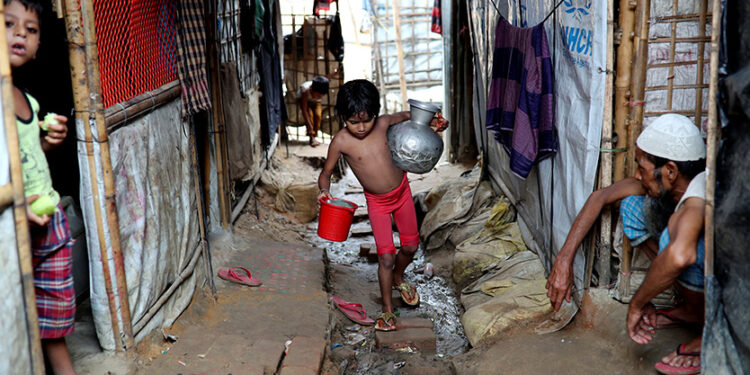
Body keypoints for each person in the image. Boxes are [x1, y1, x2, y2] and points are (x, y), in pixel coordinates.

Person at [545, 113, 706, 375]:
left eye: (641, 168)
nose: (637, 176)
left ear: (671, 170)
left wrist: (637, 303)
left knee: (677, 243)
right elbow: (600, 197)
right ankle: (691, 308)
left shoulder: (700, 198)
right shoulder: (674, 183)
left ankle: (710, 333)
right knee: (633, 208)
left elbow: (678, 256)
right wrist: (563, 261)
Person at [318, 80, 447, 331]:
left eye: (366, 120)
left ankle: (399, 276)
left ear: (375, 113)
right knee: (385, 257)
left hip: (402, 193)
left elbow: (413, 115)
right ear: (343, 117)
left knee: (410, 247)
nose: (361, 127)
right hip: (376, 203)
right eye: (353, 121)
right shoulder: (341, 142)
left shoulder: (385, 122)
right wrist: (324, 191)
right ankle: (388, 310)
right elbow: (326, 173)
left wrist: (436, 121)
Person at [6, 0, 75, 373]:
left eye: (31, 30)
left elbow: (30, 158)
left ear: (37, 47)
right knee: (14, 321)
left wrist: (49, 141)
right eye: (10, 24)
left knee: (54, 328)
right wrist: (17, 205)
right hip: (13, 229)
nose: (21, 33)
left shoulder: (27, 100)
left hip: (50, 227)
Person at [297, 72, 336, 147]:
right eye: (318, 95)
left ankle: (314, 136)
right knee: (310, 116)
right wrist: (309, 124)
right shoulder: (305, 90)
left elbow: (326, 77)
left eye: (322, 96)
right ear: (311, 90)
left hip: (315, 102)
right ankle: (311, 138)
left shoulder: (319, 84)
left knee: (318, 116)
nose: (320, 97)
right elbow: (304, 109)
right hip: (305, 101)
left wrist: (336, 73)